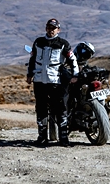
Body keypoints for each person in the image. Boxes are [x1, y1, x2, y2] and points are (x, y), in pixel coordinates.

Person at [26, 18, 79, 147]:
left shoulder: (63, 43)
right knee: (41, 109)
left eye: (54, 28)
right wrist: (29, 75)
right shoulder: (38, 42)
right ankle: (42, 137)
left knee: (60, 109)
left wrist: (75, 75)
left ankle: (63, 138)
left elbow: (72, 60)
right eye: (49, 28)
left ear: (58, 30)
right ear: (46, 28)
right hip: (39, 81)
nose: (51, 30)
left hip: (56, 81)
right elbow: (32, 59)